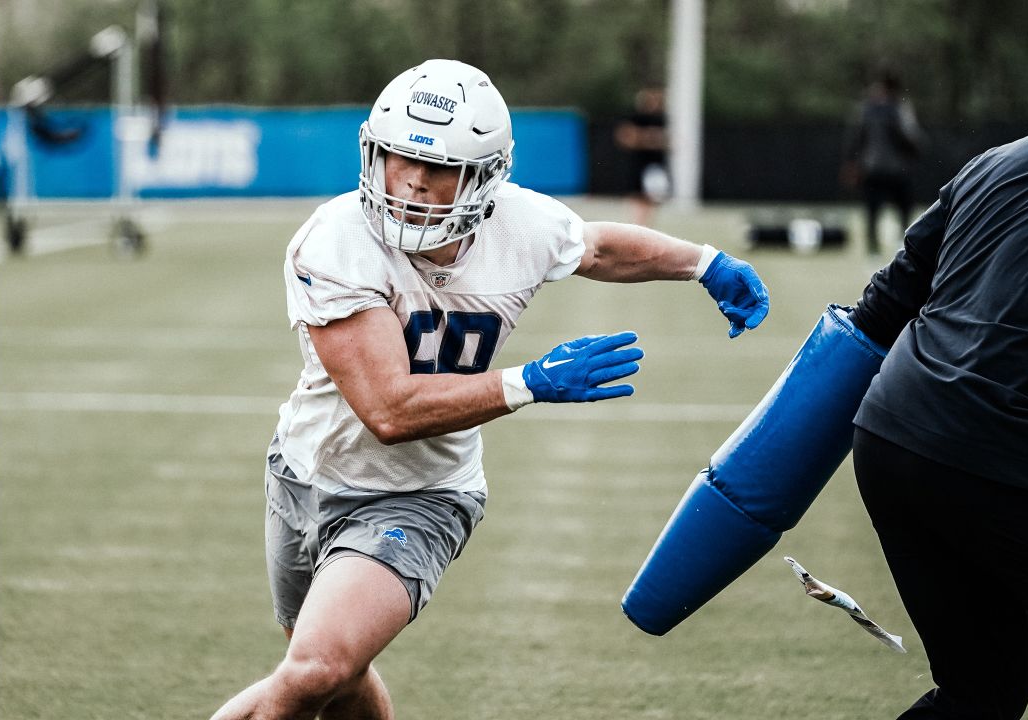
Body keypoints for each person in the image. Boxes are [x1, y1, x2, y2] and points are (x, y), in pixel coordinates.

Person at [209, 58, 769, 720]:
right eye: (396, 158)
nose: (412, 181)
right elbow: (388, 409)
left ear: (484, 178)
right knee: (335, 674)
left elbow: (595, 248)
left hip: (420, 496)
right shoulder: (333, 243)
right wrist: (528, 383)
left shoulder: (519, 224)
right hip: (304, 475)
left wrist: (704, 263)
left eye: (439, 168)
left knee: (317, 667)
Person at [847, 125, 1028, 718]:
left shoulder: (1007, 157)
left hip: (890, 436)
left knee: (981, 693)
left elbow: (878, 313)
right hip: (1003, 456)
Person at [841, 66, 926, 255]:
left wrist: (853, 162)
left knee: (897, 209)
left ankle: (900, 243)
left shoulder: (888, 109)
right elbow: (913, 139)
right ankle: (876, 244)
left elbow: (857, 138)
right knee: (876, 209)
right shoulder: (891, 109)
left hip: (884, 168)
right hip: (885, 168)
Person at [614, 86, 669, 227]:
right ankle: (637, 225)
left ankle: (646, 226)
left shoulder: (662, 118)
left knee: (654, 198)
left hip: (656, 165)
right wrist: (648, 139)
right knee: (637, 197)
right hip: (639, 163)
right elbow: (625, 137)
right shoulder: (636, 117)